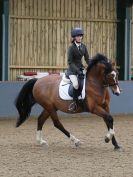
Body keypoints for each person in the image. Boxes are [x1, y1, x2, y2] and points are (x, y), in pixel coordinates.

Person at [66, 27, 90, 111]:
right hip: (72, 70)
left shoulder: (83, 47)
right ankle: (74, 103)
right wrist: (77, 71)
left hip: (81, 68)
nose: (80, 37)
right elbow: (70, 62)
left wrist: (91, 65)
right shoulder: (71, 48)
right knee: (76, 85)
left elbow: (87, 59)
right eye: (78, 36)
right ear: (74, 38)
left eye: (81, 36)